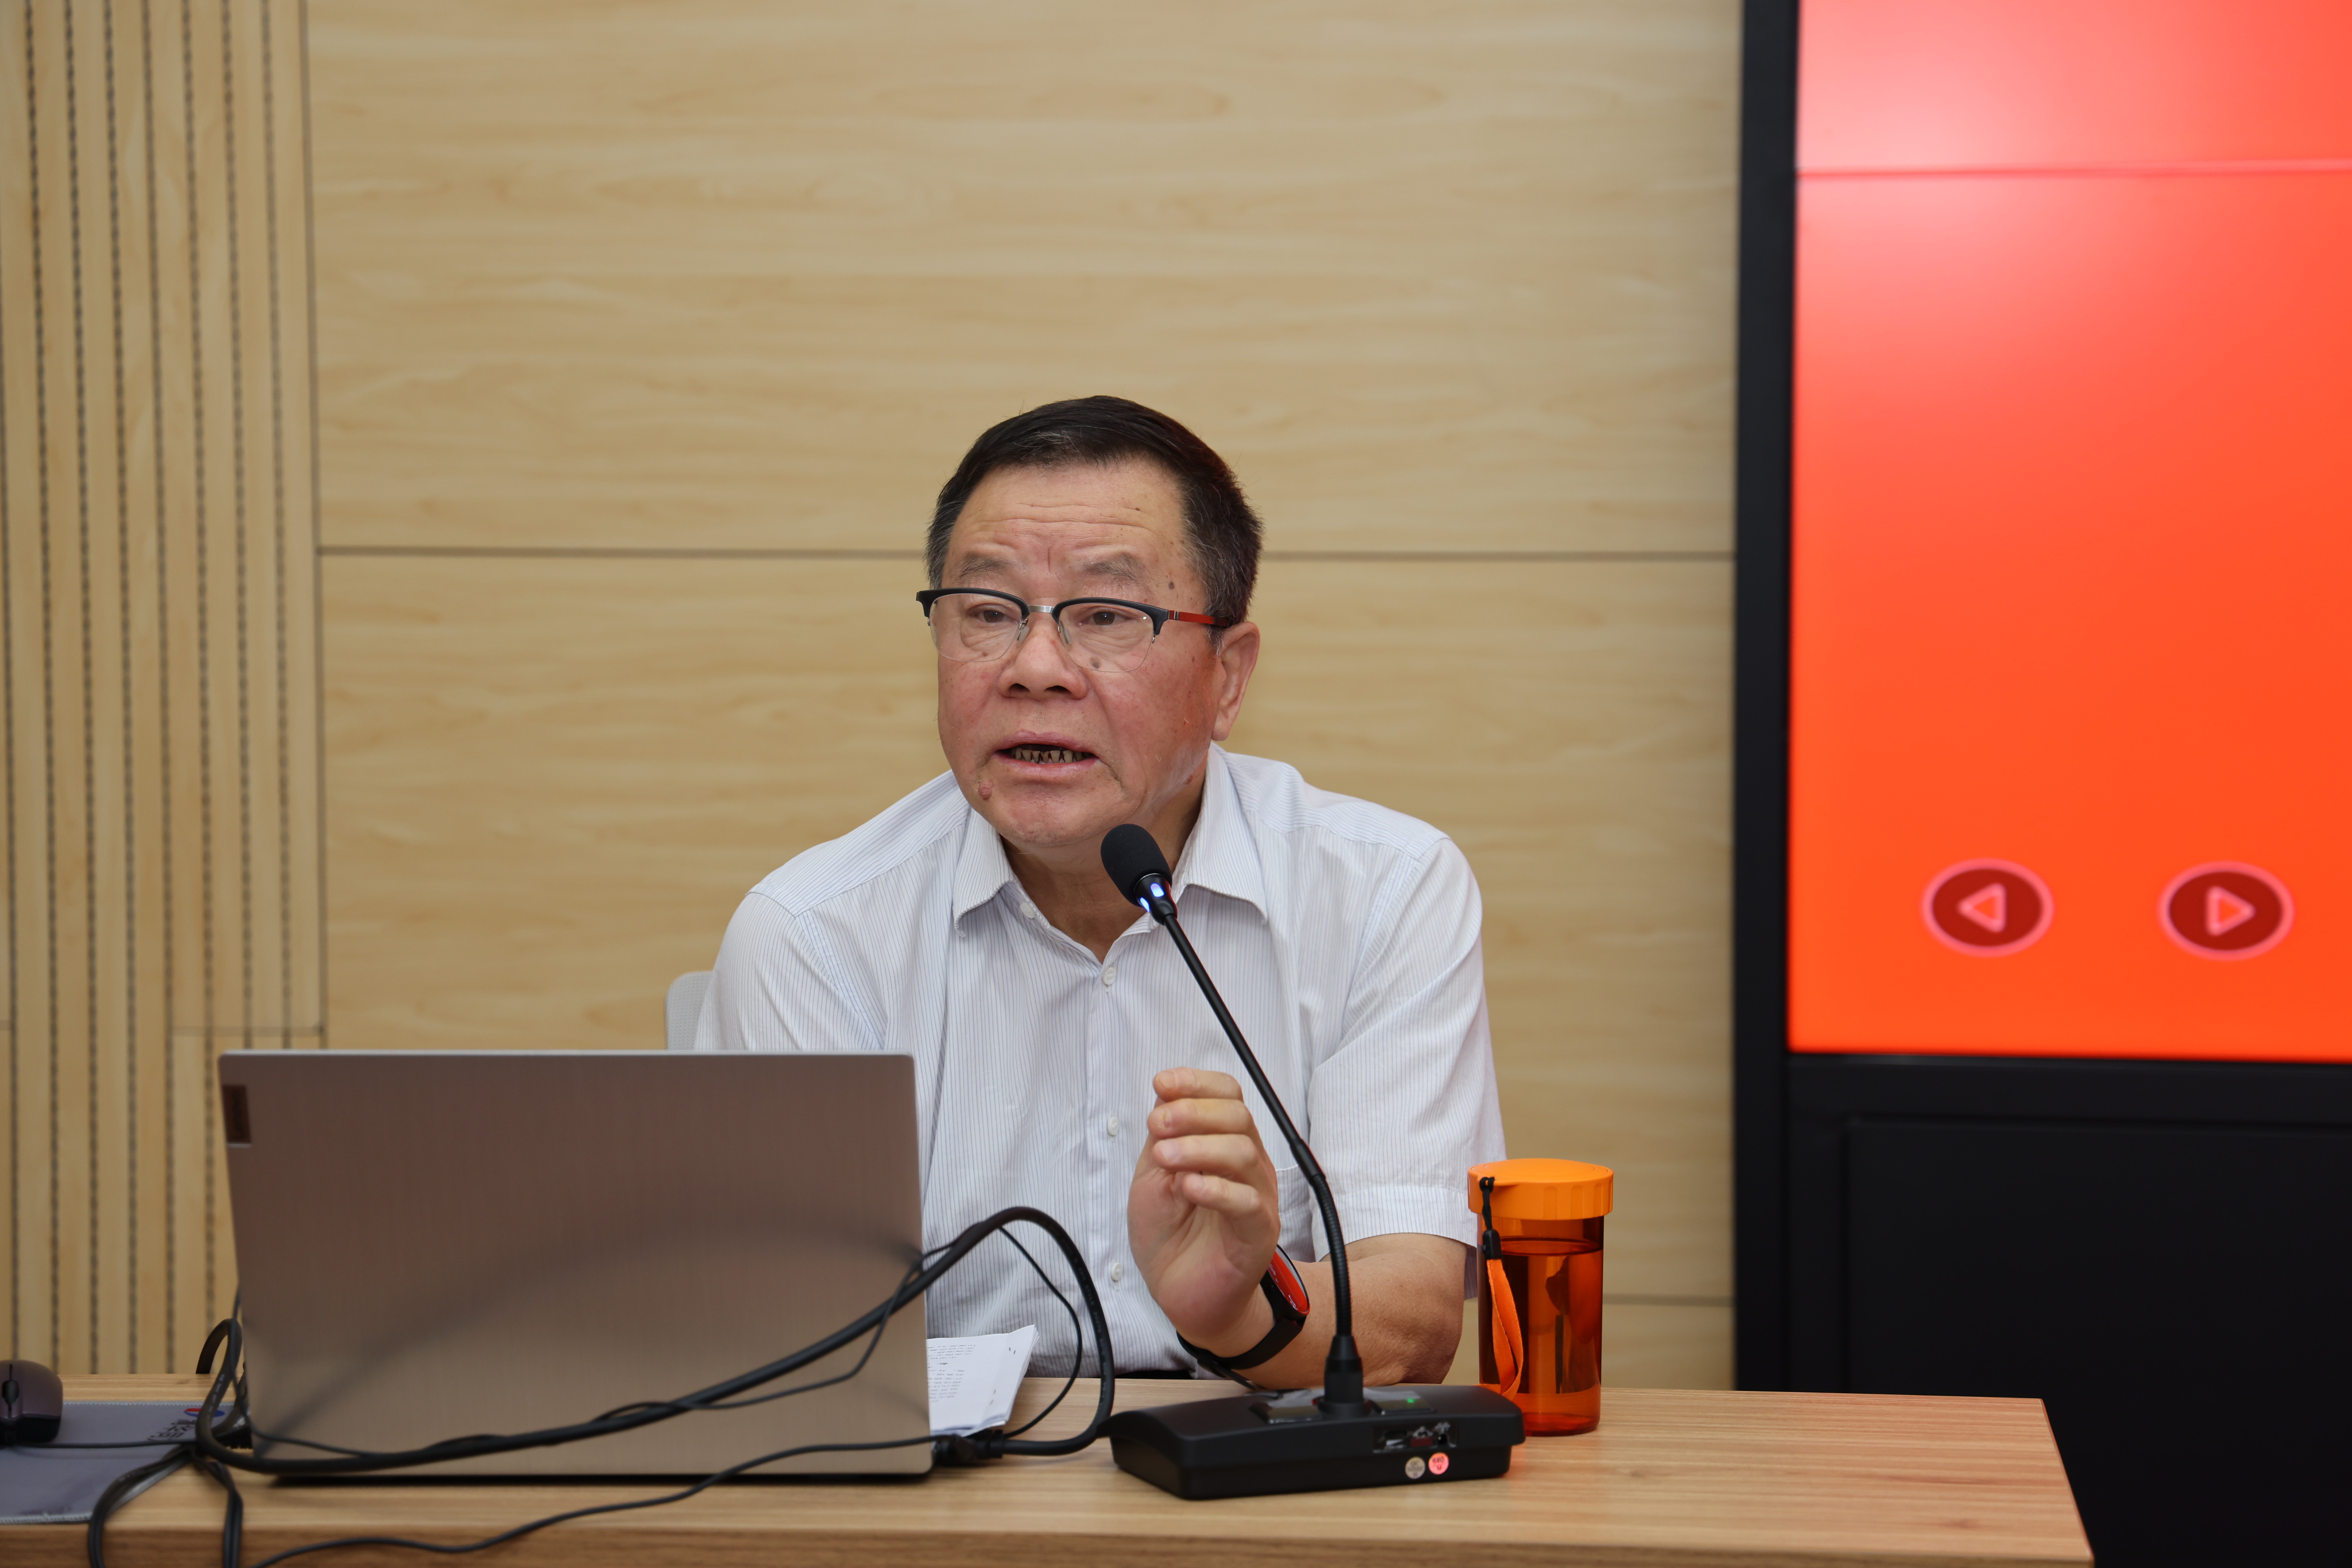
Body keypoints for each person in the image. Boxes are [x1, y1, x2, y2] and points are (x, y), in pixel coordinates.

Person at [697, 396, 1504, 1387]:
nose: (1035, 668)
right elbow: (790, 1357)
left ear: (1228, 676)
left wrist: (1238, 1309)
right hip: (941, 1484)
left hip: (1260, 1476)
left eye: (1107, 616)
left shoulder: (1384, 891)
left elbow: (1413, 1321)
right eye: (988, 612)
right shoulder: (813, 935)